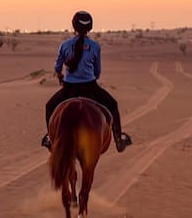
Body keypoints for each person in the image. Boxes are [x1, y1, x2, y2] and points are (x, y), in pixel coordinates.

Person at [42, 11, 131, 152]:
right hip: (90, 88)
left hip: (69, 89)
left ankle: (50, 139)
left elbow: (57, 67)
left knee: (49, 107)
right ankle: (119, 140)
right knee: (113, 105)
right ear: (90, 28)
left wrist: (61, 76)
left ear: (74, 26)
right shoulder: (95, 46)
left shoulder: (64, 45)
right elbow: (97, 72)